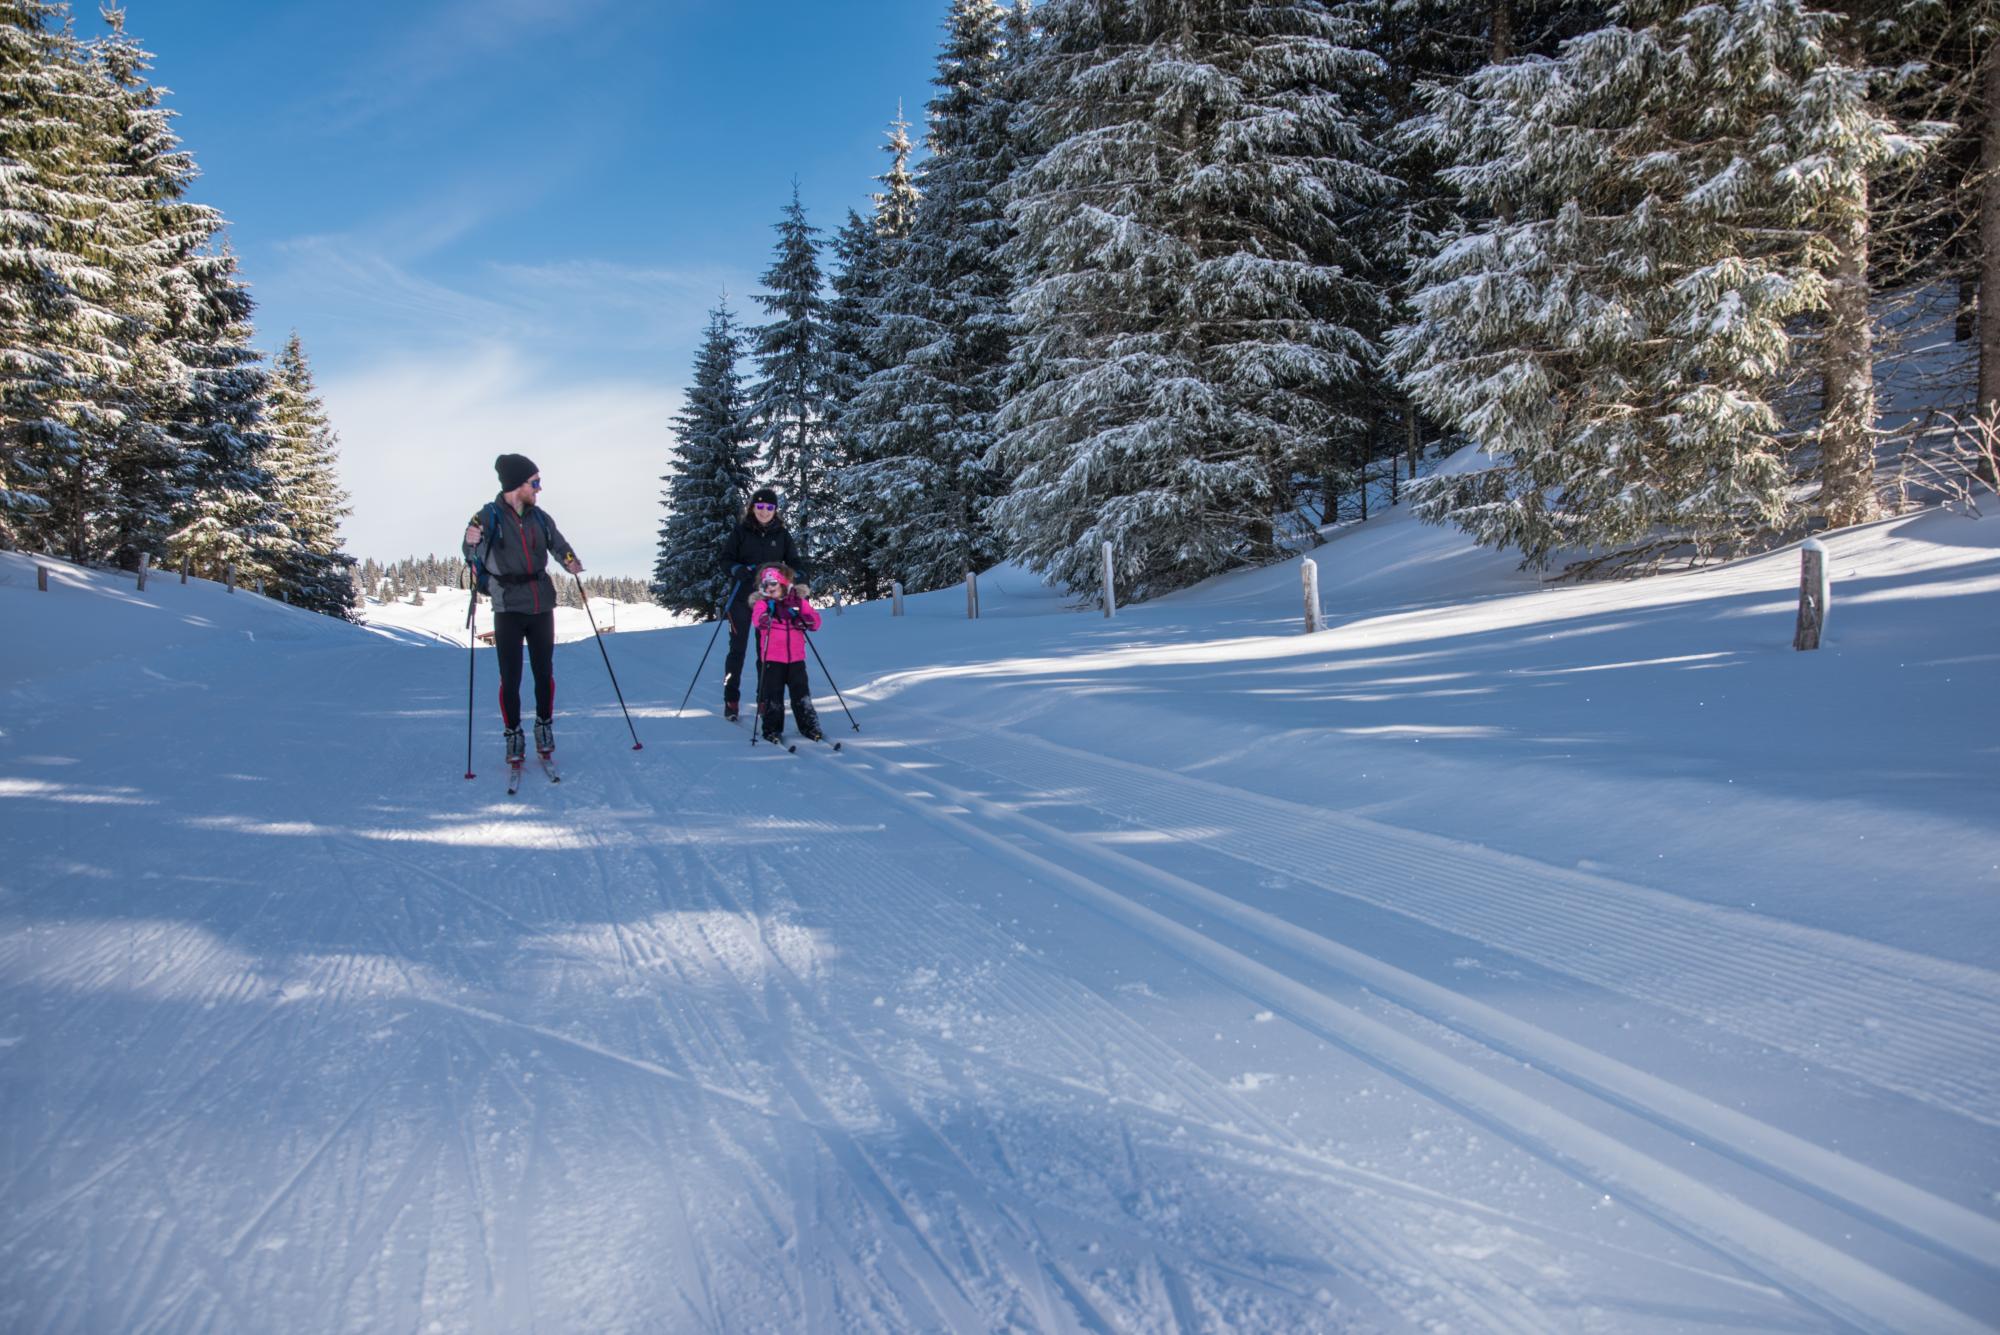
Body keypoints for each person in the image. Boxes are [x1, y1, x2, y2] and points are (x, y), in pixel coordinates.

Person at [461, 453, 583, 768]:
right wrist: (469, 542)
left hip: (541, 603)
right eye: (535, 483)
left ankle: (544, 727)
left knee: (544, 672)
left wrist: (570, 561)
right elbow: (469, 550)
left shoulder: (540, 517)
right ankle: (513, 733)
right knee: (511, 676)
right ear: (518, 484)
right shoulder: (486, 516)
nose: (539, 489)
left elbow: (559, 544)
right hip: (507, 606)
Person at [719, 487, 806, 722]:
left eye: (769, 507)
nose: (764, 511)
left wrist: (796, 579)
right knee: (737, 651)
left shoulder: (782, 535)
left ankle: (763, 699)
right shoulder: (740, 532)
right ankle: (731, 698)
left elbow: (795, 562)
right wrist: (737, 569)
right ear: (752, 508)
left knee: (766, 652)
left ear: (775, 510)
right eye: (760, 507)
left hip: (769, 601)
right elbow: (725, 560)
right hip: (741, 600)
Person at [749, 564, 824, 743]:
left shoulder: (798, 602)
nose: (768, 587)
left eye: (772, 582)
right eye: (765, 584)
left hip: (796, 659)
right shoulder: (763, 603)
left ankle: (809, 726)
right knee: (773, 695)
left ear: (782, 583)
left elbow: (815, 621)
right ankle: (771, 729)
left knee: (801, 694)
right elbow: (757, 620)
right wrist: (765, 619)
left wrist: (805, 621)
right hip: (773, 659)